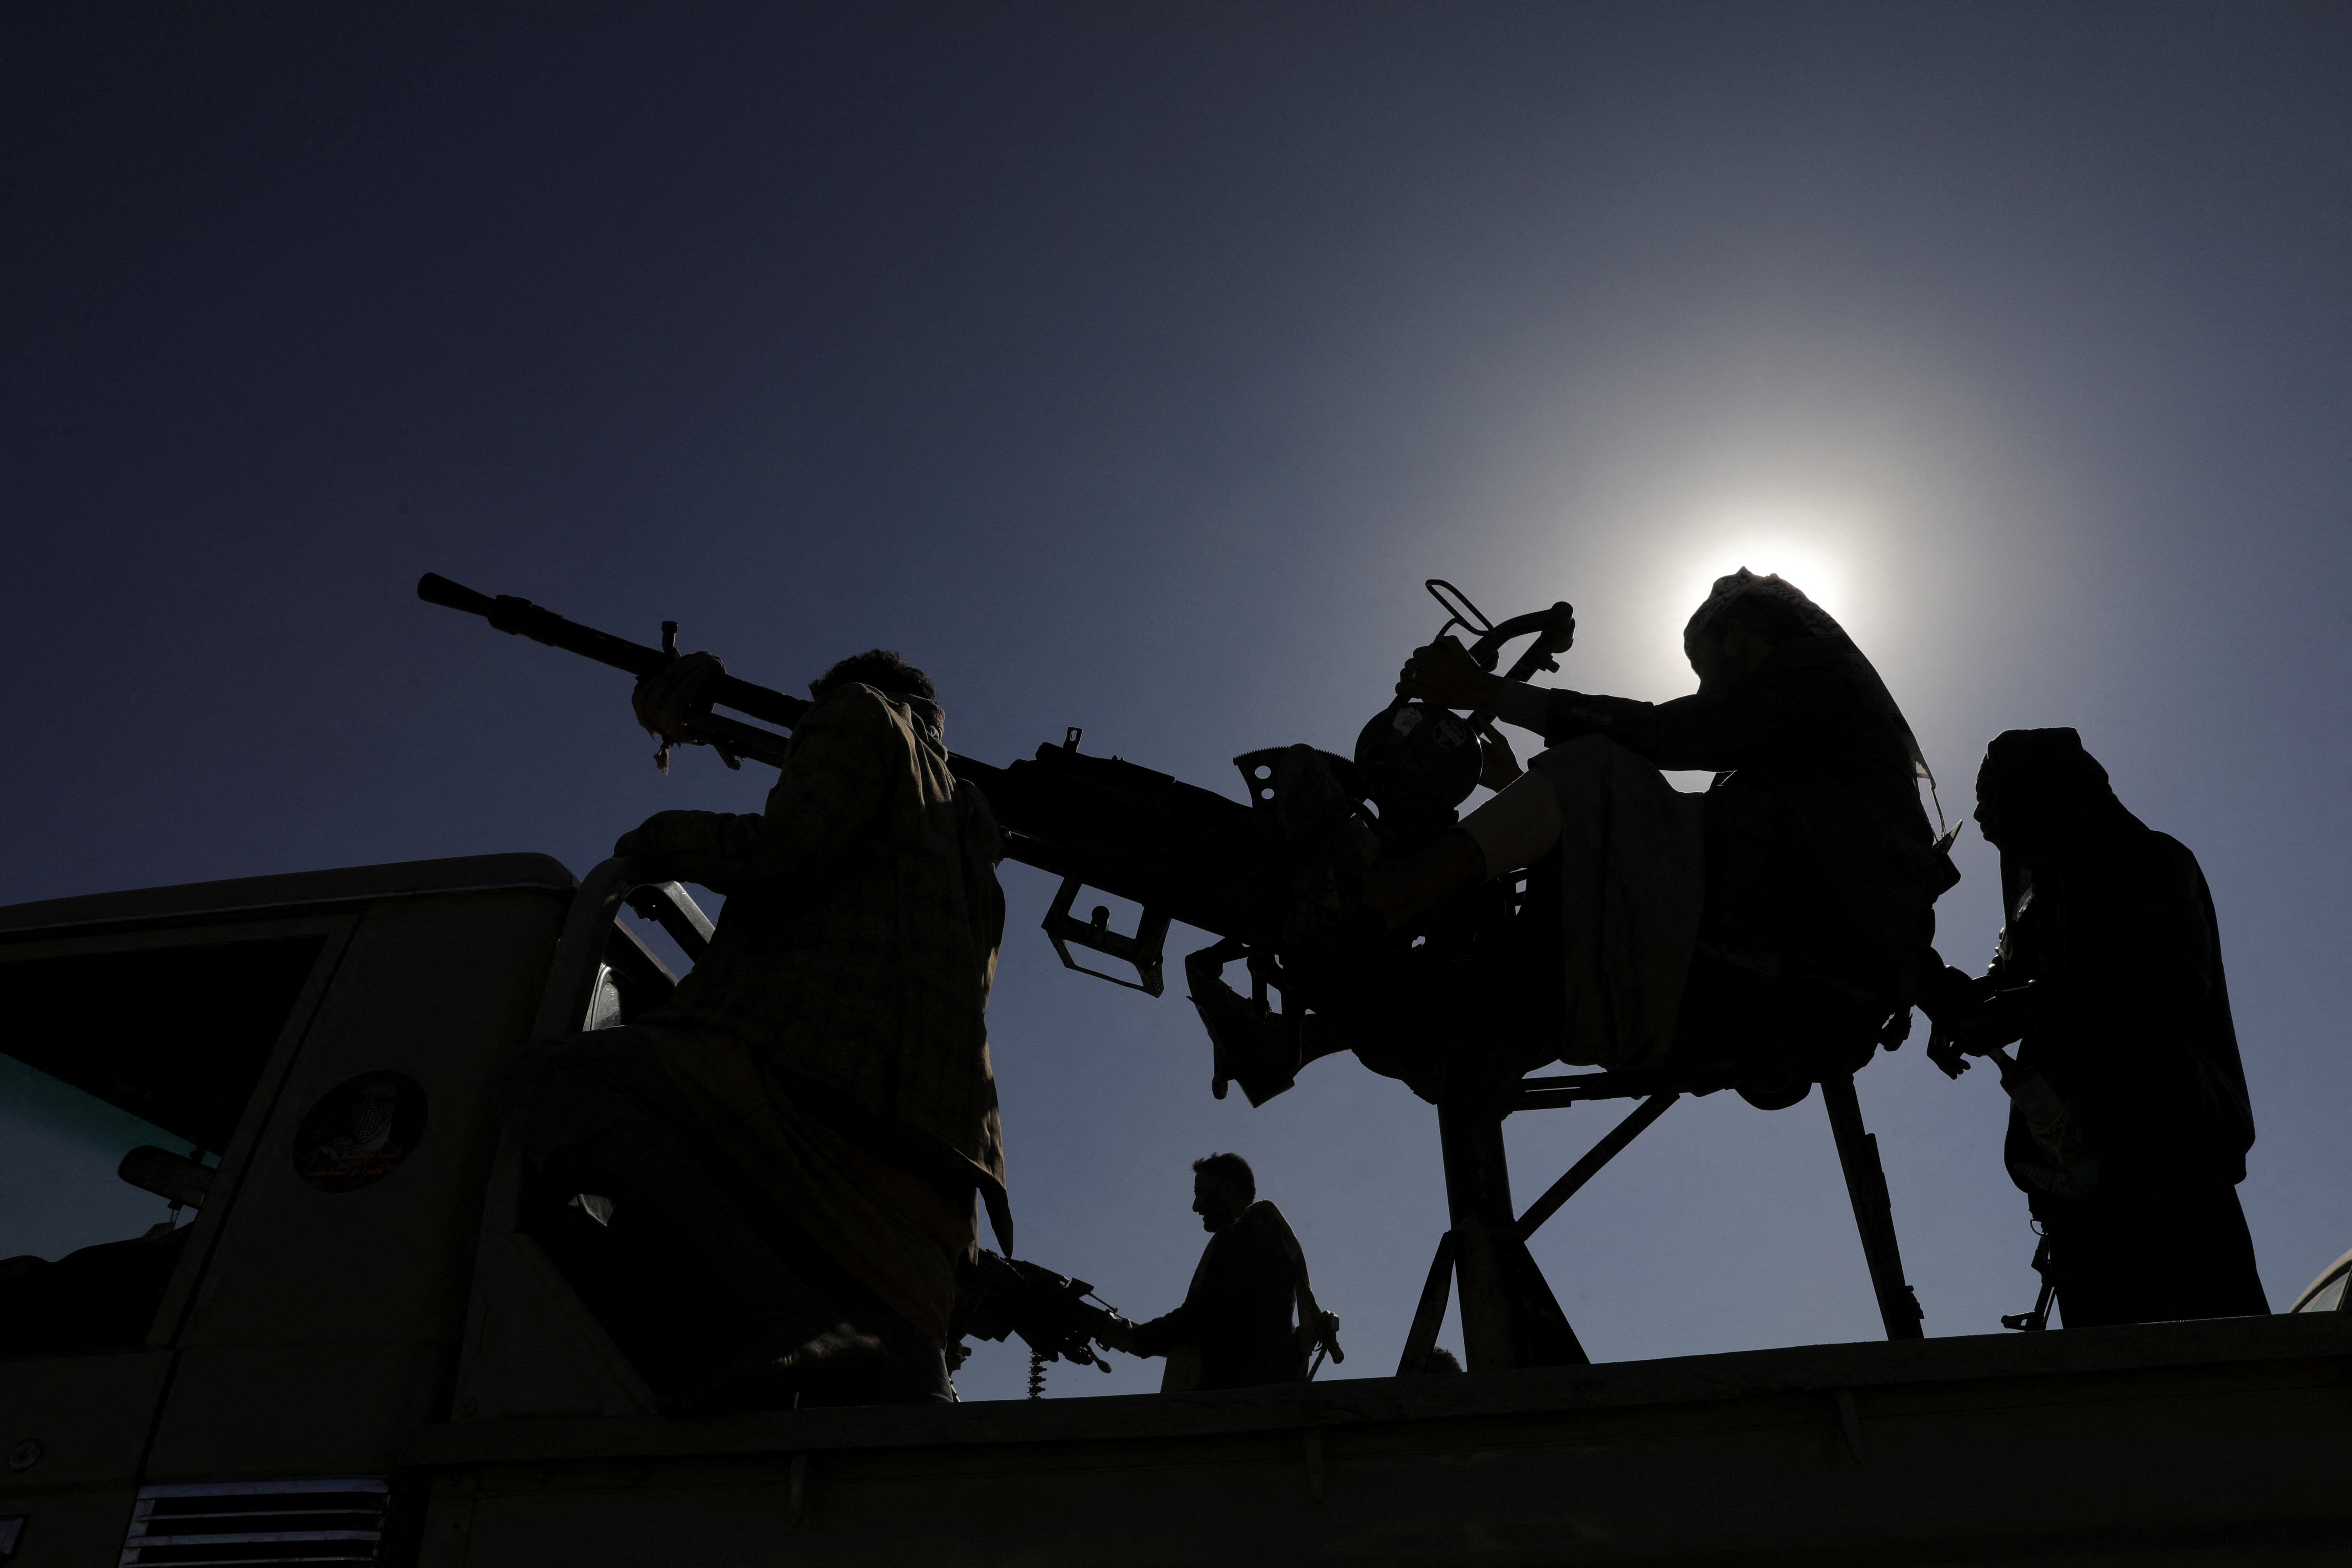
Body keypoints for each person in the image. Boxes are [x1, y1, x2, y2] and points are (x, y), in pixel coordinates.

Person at [494, 647, 1010, 1407]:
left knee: (557, 1079)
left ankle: (793, 1315)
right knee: (900, 1380)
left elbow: (788, 848)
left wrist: (662, 835)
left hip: (815, 1063)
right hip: (941, 1134)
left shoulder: (859, 710)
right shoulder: (971, 817)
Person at [1369, 568, 1956, 1101]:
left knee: (1595, 764)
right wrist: (1516, 787)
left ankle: (1379, 906)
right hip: (1775, 989)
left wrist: (1488, 693)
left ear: (1743, 635)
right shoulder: (1828, 776)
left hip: (1768, 964)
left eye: (1706, 668)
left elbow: (1670, 734)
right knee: (1501, 958)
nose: (1704, 689)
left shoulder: (1813, 673)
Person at [1918, 727, 2266, 1328]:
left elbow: (2167, 983)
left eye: (1999, 805)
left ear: (2049, 796)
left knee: (2211, 1355)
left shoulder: (2151, 860)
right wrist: (1944, 995)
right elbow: (2009, 986)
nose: (1986, 823)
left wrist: (2019, 1009)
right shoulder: (2042, 902)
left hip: (2163, 1161)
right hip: (2078, 1180)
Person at [1099, 1153, 1340, 1391]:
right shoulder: (1263, 1234)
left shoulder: (1245, 1235)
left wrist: (1132, 1338)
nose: (1196, 1207)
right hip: (1260, 1389)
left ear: (1227, 1189)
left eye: (1201, 1193)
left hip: (1238, 1396)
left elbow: (1202, 1317)